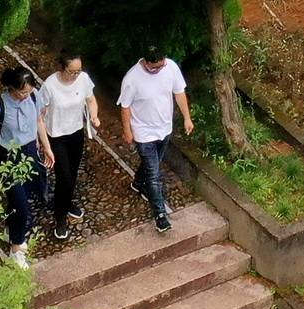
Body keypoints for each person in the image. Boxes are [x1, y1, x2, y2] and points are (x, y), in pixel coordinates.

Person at [116, 50, 192, 233]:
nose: (160, 68)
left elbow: (179, 93)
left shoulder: (171, 67)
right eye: (156, 66)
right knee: (155, 174)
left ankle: (138, 182)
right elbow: (125, 107)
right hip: (144, 133)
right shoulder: (132, 79)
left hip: (164, 129)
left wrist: (187, 117)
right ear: (146, 63)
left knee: (154, 164)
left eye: (162, 64)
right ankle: (160, 215)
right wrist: (128, 131)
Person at [0, 64, 45, 268]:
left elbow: (38, 121)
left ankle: (12, 229)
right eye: (22, 92)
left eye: (29, 91)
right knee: (23, 207)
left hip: (29, 152)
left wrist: (47, 147)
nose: (26, 95)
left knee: (25, 197)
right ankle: (16, 247)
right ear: (12, 88)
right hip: (9, 157)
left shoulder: (34, 97)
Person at [35, 53, 99, 242]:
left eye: (78, 71)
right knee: (64, 178)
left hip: (76, 132)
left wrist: (94, 116)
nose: (76, 75)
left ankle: (66, 202)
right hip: (56, 136)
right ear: (62, 68)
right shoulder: (49, 86)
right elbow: (41, 112)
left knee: (72, 173)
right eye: (72, 71)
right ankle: (60, 217)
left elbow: (91, 99)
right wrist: (41, 138)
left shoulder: (84, 79)